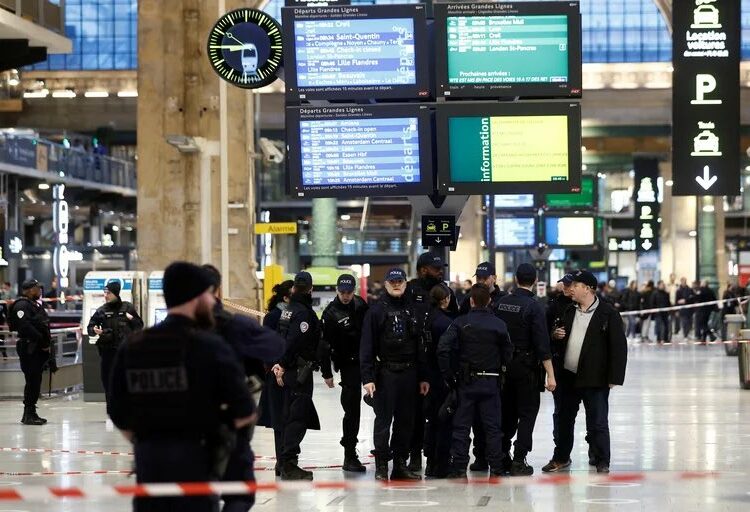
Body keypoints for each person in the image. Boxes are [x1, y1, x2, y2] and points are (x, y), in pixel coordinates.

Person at [108, 262, 256, 512]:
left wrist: (146, 442)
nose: (212, 303)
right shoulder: (210, 347)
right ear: (196, 298)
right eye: (208, 296)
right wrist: (220, 435)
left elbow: (117, 411)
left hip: (149, 467)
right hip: (196, 467)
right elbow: (245, 410)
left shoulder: (134, 346)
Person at [202, 264, 285, 512]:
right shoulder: (233, 326)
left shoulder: (166, 333)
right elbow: (275, 347)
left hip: (186, 434)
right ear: (218, 290)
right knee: (238, 495)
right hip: (229, 429)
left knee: (196, 497)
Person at [543, 270, 628, 475]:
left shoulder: (608, 314)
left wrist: (614, 378)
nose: (571, 289)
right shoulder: (569, 310)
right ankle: (561, 457)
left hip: (595, 378)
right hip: (567, 376)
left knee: (597, 421)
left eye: (576, 286)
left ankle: (601, 459)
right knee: (563, 419)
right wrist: (555, 335)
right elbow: (558, 337)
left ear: (588, 289)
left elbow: (619, 348)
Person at [437, 284, 514, 479]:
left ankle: (460, 467)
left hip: (466, 382)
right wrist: (501, 366)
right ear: (489, 300)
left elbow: (443, 348)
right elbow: (508, 352)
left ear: (471, 301)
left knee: (461, 427)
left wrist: (449, 376)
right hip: (491, 382)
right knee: (493, 428)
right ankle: (496, 467)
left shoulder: (460, 323)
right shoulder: (499, 324)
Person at [361, 267, 430, 481]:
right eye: (393, 281)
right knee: (383, 421)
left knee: (405, 422)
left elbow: (420, 345)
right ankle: (382, 464)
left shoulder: (413, 309)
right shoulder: (376, 311)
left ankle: (400, 463)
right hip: (385, 374)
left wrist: (423, 377)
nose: (397, 284)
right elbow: (367, 346)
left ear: (406, 283)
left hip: (410, 374)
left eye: (400, 280)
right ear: (386, 284)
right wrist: (368, 378)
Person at [494, 264, 556, 476]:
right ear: (535, 279)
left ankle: (501, 456)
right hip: (526, 367)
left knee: (506, 412)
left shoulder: (501, 303)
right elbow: (542, 344)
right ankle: (519, 460)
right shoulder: (534, 307)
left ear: (515, 279)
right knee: (527, 414)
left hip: (502, 366)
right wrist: (551, 374)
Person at [405, 252, 457, 472]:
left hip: (439, 364)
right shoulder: (410, 289)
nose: (440, 272)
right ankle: (415, 455)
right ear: (423, 269)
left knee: (441, 413)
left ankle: (437, 457)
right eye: (436, 268)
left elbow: (454, 320)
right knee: (414, 414)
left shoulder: (446, 291)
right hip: (414, 363)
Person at [272, 271, 322, 481]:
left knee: (288, 416)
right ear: (310, 289)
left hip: (288, 369)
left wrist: (278, 363)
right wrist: (283, 364)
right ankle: (289, 464)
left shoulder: (287, 310)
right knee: (297, 417)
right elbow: (295, 341)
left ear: (293, 289)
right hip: (298, 371)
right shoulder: (303, 313)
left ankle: (283, 462)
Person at [319, 274, 369, 473]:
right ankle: (349, 453)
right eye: (343, 292)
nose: (346, 296)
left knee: (382, 404)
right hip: (348, 365)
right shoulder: (331, 314)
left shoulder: (360, 304)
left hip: (366, 361)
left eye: (349, 292)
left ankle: (384, 448)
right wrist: (326, 372)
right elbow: (324, 345)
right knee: (352, 409)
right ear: (337, 291)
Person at [86, 281, 144, 414]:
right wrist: (94, 330)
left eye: (109, 293)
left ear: (116, 293)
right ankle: (112, 410)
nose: (106, 295)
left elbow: (139, 325)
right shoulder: (101, 310)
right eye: (105, 293)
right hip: (108, 353)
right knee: (108, 382)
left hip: (125, 353)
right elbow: (90, 327)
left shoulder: (128, 308)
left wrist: (131, 319)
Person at [257, 280, 294, 476]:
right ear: (286, 297)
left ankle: (287, 459)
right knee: (280, 420)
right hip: (276, 374)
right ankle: (282, 460)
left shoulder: (295, 313)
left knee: (290, 418)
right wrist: (275, 368)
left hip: (290, 372)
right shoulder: (273, 317)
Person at [422, 284, 455, 478]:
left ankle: (430, 463)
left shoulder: (425, 319)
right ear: (446, 299)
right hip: (442, 378)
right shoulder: (445, 323)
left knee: (431, 421)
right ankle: (442, 465)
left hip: (427, 377)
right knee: (445, 421)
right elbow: (447, 352)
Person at [9, 279, 52, 425]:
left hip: (36, 348)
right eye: (37, 288)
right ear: (29, 290)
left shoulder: (33, 305)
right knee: (32, 380)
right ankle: (28, 414)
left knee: (35, 381)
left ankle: (31, 412)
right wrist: (41, 340)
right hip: (29, 348)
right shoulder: (21, 305)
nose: (39, 291)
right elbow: (24, 326)